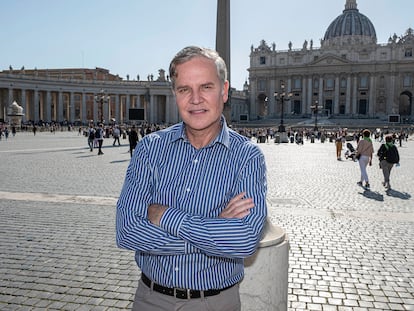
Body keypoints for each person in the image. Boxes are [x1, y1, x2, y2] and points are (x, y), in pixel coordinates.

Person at [116, 46, 268, 311]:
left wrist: (165, 216)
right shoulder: (150, 148)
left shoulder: (247, 156)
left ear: (224, 90)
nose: (195, 99)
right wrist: (215, 230)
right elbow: (128, 232)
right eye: (185, 89)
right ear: (175, 94)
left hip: (215, 302)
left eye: (206, 87)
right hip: (150, 299)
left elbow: (244, 240)